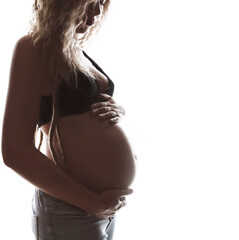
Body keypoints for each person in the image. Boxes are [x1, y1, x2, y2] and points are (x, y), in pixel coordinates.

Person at [1, 0, 137, 239]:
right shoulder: (33, 48)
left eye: (101, 3)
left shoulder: (74, 48)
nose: (96, 12)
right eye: (89, 3)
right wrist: (91, 202)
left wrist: (119, 110)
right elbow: (14, 151)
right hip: (71, 210)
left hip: (100, 210)